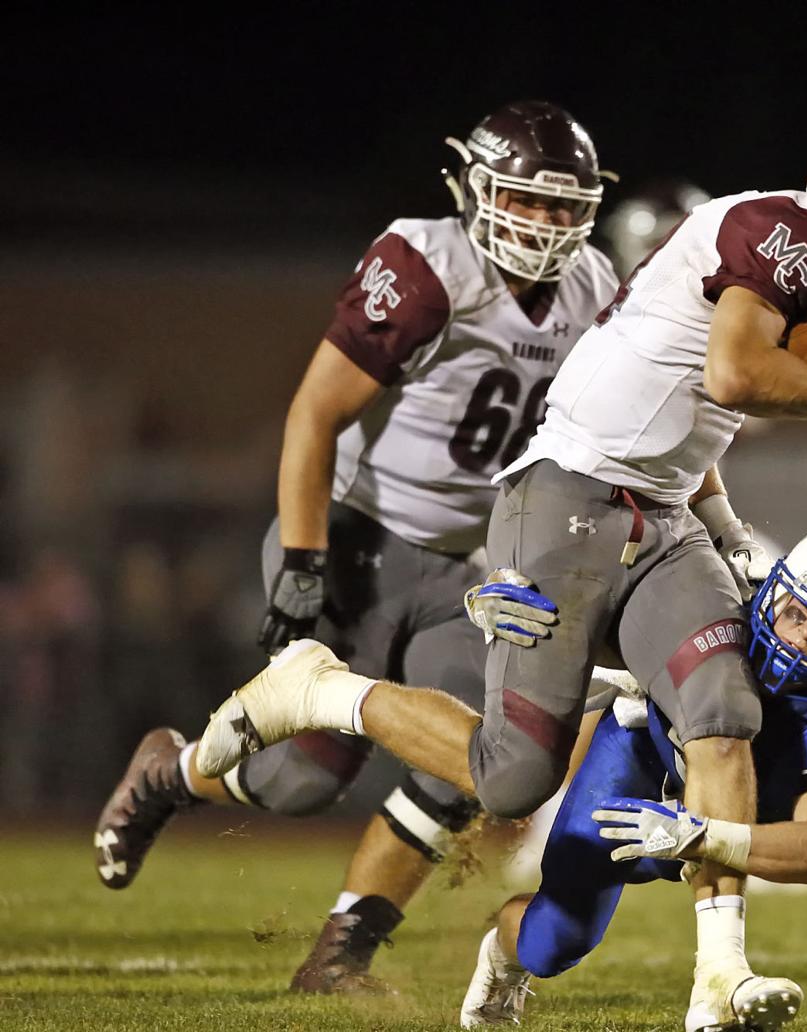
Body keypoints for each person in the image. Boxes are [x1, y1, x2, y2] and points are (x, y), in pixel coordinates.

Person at [196, 115, 807, 1028]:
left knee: (723, 707)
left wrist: (722, 523)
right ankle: (322, 689)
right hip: (570, 497)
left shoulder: (794, 250)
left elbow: (682, 409)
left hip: (664, 512)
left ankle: (720, 974)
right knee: (512, 779)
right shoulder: (788, 234)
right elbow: (731, 376)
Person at [93, 99, 619, 992]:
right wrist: (303, 560)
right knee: (302, 782)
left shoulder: (596, 285)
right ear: (476, 189)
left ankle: (341, 954)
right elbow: (315, 412)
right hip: (360, 539)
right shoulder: (427, 266)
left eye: (562, 205)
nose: (543, 221)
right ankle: (169, 773)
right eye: (526, 199)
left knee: (481, 761)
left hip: (471, 569)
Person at [458, 522, 807, 1030]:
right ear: (777, 587)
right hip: (641, 761)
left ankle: (719, 987)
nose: (796, 640)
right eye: (795, 613)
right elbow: (598, 597)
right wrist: (519, 613)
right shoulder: (719, 599)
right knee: (554, 941)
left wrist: (700, 835)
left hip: (728, 829)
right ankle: (502, 957)